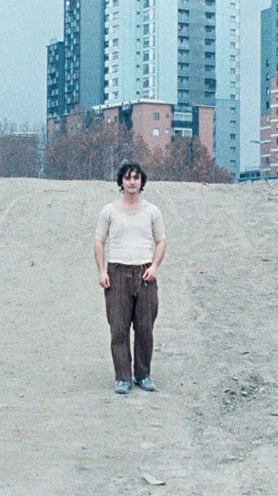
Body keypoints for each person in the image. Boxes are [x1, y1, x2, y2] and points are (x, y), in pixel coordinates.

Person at [94, 161, 166, 395]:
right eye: (127, 178)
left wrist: (154, 267)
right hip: (117, 273)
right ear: (121, 182)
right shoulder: (109, 211)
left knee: (145, 328)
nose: (132, 182)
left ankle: (143, 374)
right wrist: (102, 271)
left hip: (145, 274)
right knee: (118, 328)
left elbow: (161, 241)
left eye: (136, 177)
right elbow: (99, 241)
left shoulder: (152, 212)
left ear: (142, 181)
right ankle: (123, 377)